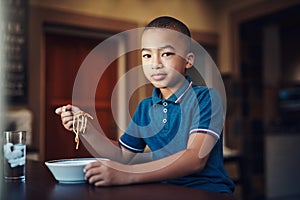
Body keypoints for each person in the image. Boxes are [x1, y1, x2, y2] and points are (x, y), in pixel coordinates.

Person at [55, 16, 235, 195]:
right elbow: (124, 155)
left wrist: (128, 174)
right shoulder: (145, 108)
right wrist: (85, 128)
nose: (155, 64)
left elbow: (195, 158)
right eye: (147, 55)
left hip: (206, 191)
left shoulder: (206, 98)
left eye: (166, 54)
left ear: (188, 60)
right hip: (164, 190)